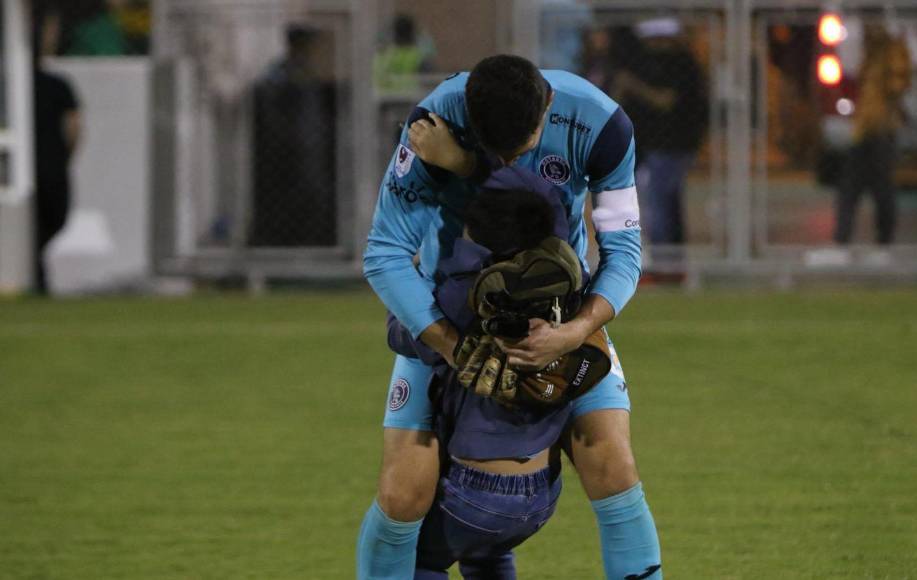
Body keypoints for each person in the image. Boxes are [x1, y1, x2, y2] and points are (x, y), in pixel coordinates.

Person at [359, 55, 661, 579]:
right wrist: (450, 343)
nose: (504, 157)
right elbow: (385, 252)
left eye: (517, 148)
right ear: (470, 119)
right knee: (402, 494)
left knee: (614, 466)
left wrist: (574, 332)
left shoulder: (602, 126)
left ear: (546, 107)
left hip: (559, 319)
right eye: (490, 148)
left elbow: (624, 251)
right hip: (446, 314)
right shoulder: (432, 124)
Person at [385, 171, 596, 578]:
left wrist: (411, 282)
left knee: (414, 559)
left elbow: (404, 335)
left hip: (477, 492)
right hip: (542, 489)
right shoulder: (569, 286)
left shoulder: (469, 293)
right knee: (487, 555)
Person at [614, 18, 708, 250]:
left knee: (659, 200)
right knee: (664, 199)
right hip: (655, 143)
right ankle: (670, 258)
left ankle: (665, 258)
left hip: (674, 143)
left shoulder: (681, 63)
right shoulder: (649, 63)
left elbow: (665, 100)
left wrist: (633, 86)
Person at [250, 26, 338, 247]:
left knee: (314, 196)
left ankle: (312, 244)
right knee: (290, 199)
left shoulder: (309, 75)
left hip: (311, 148)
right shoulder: (280, 75)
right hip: (288, 150)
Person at [832, 26, 912, 262]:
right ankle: (845, 241)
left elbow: (897, 85)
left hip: (880, 130)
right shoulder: (872, 54)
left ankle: (882, 243)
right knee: (852, 188)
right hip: (866, 129)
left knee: (879, 189)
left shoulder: (890, 52)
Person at [32, 4, 82, 295]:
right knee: (51, 219)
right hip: (52, 166)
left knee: (41, 226)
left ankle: (35, 272)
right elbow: (75, 127)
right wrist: (66, 156)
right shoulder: (57, 87)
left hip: (37, 165)